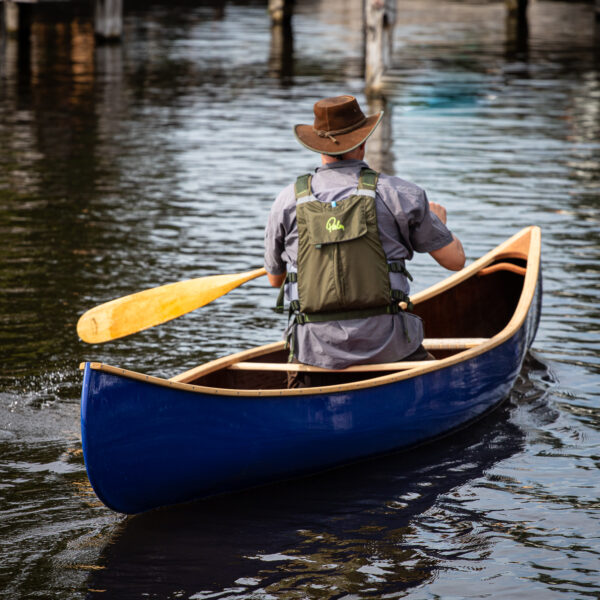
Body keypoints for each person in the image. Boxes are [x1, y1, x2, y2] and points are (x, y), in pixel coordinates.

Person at [264, 95, 465, 388]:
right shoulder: (402, 194)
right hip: (389, 347)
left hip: (313, 351)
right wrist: (439, 223)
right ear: (364, 140)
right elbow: (455, 262)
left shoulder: (286, 201)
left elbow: (274, 280)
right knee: (445, 382)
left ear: (317, 147)